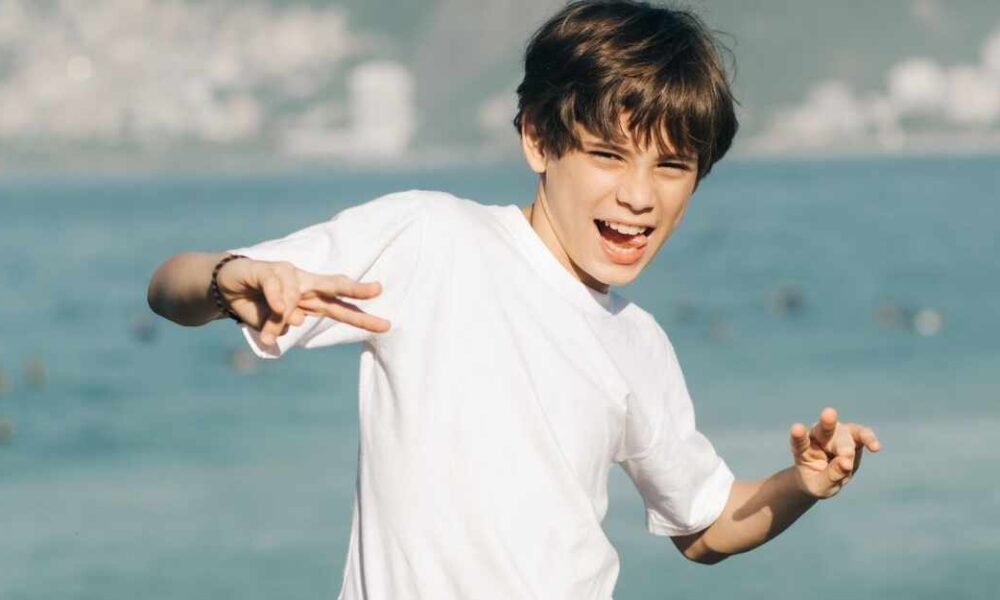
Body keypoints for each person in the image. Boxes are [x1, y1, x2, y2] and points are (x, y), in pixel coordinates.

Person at [147, 1, 881, 598]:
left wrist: (804, 484)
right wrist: (223, 278)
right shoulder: (432, 239)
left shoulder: (639, 344)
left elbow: (706, 526)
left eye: (671, 166)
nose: (638, 195)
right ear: (538, 139)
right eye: (607, 154)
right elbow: (169, 289)